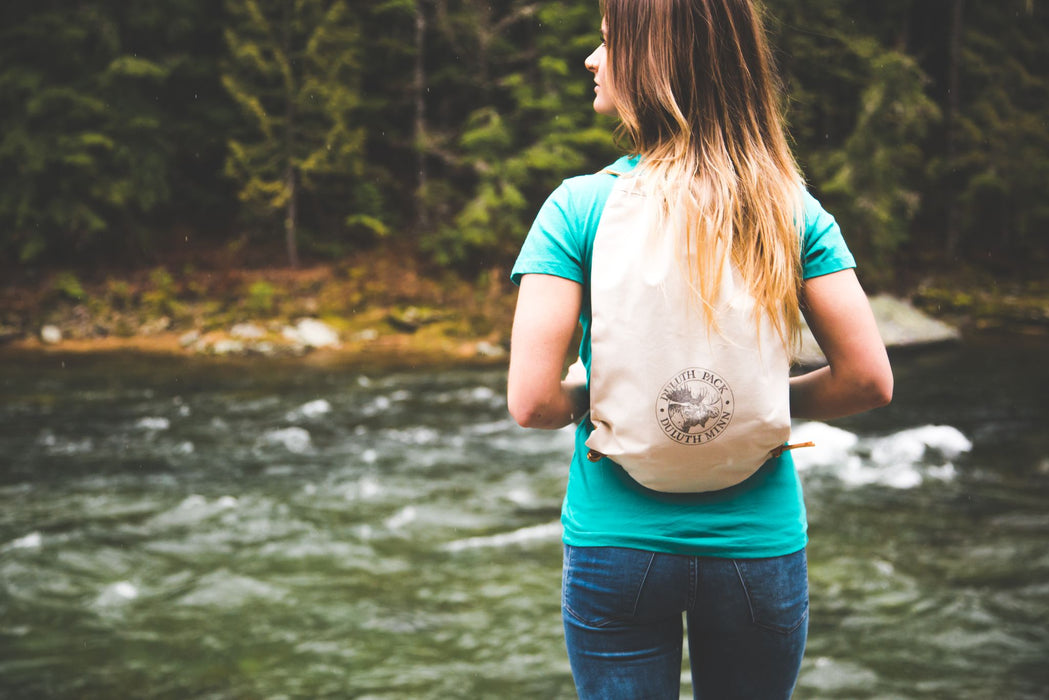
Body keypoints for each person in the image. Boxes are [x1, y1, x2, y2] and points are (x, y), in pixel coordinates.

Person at [506, 0, 894, 698]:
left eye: (605, 44)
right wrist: (760, 403)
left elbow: (532, 404)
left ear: (655, 64)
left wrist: (595, 393)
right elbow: (867, 381)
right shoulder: (789, 208)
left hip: (615, 542)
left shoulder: (576, 207)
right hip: (757, 546)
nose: (591, 61)